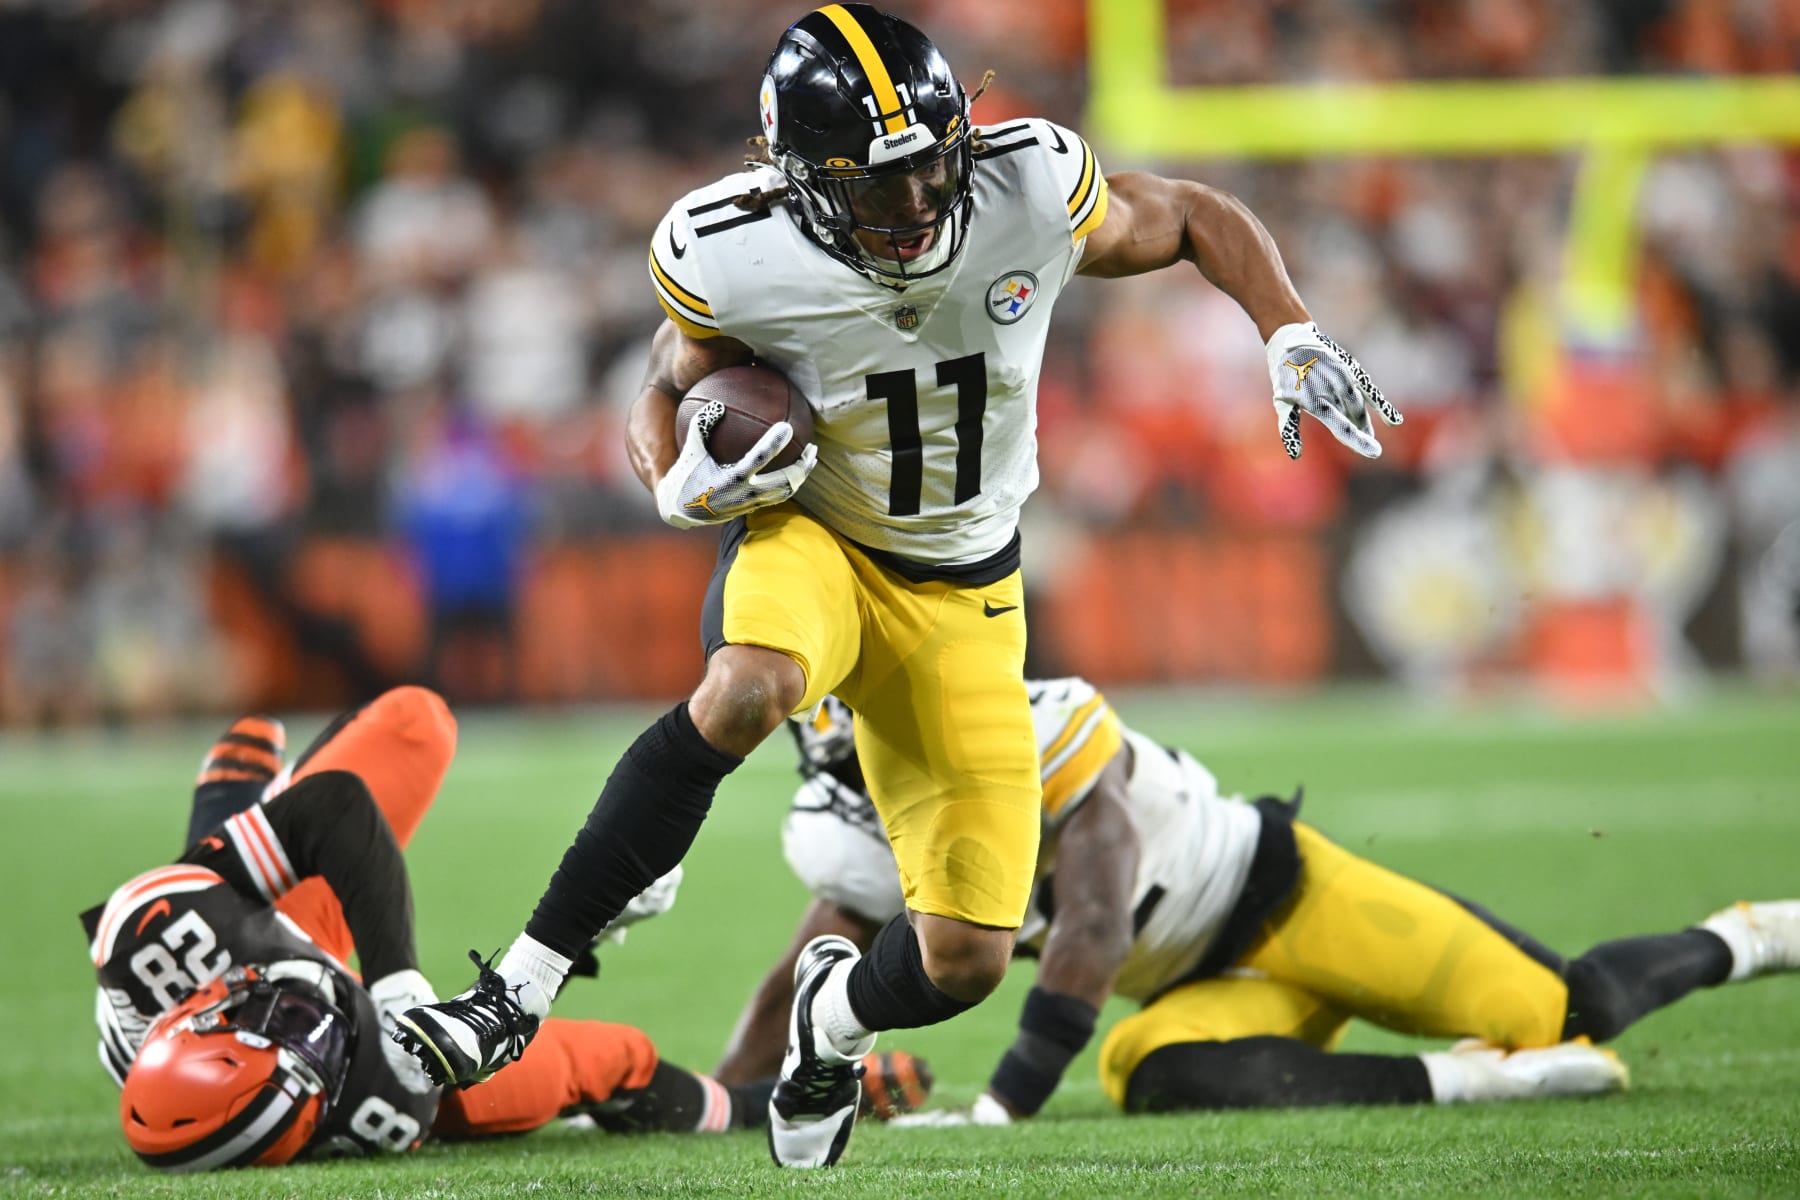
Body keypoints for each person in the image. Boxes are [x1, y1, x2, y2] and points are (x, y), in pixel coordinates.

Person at [394, 4, 1402, 1169]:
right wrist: (671, 480)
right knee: (748, 686)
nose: (919, 202)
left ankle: (831, 1019)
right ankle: (516, 994)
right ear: (800, 180)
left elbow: (1186, 215)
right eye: (879, 186)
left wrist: (1285, 327)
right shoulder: (732, 251)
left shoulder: (1030, 187)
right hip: (822, 543)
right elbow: (666, 391)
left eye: (932, 164)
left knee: (966, 956)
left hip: (969, 591)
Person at [713, 679, 1800, 1123]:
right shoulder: (840, 828)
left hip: (1277, 890)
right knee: (1149, 1073)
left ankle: (1743, 939)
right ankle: (1466, 1083)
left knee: (1569, 1008)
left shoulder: (1038, 721)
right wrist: (722, 1095)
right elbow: (810, 976)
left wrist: (1002, 1106)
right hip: (1190, 983)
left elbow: (1091, 919)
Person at [83, 687, 769, 1172]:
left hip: (256, 931)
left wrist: (395, 985)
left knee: (418, 723)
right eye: (309, 1036)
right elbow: (619, 1068)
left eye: (287, 1014)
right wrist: (749, 1108)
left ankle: (230, 810)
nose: (319, 1016)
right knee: (608, 1059)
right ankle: (749, 1101)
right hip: (369, 1067)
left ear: (204, 1008)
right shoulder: (381, 1101)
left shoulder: (151, 945)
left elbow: (336, 811)